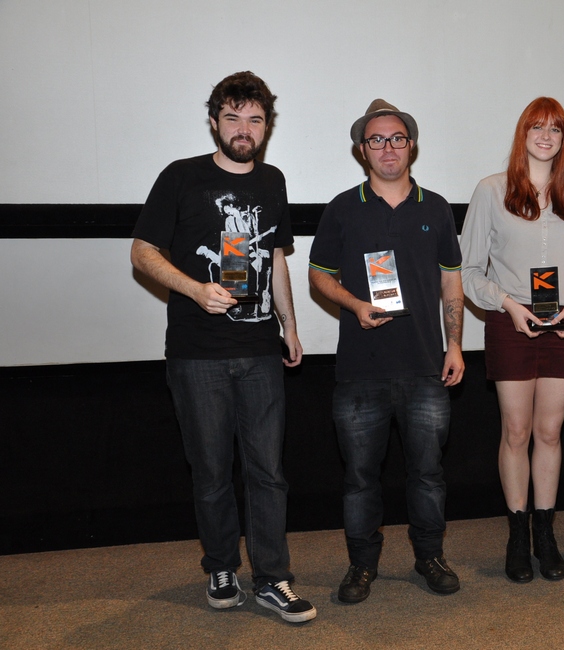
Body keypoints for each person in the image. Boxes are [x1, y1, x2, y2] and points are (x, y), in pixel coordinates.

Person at [130, 71, 315, 622]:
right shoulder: (181, 177)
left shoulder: (274, 181)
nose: (243, 128)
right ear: (214, 121)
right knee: (210, 470)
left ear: (266, 127)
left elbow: (278, 258)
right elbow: (142, 251)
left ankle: (273, 578)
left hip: (260, 349)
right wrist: (193, 288)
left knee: (268, 471)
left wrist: (291, 326)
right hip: (196, 353)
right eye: (232, 117)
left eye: (254, 119)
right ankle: (219, 565)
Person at [308, 99, 465, 602]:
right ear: (362, 150)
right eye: (376, 139)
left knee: (428, 474)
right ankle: (361, 567)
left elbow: (452, 284)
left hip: (425, 368)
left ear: (411, 145)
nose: (388, 147)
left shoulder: (436, 207)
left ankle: (430, 557)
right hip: (360, 372)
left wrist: (457, 345)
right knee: (359, 479)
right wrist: (354, 304)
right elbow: (318, 275)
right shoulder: (341, 207)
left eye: (397, 137)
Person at [460, 97, 564, 582]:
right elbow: (470, 272)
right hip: (510, 323)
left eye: (556, 129)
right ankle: (517, 533)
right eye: (537, 127)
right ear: (523, 134)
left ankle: (546, 532)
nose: (547, 136)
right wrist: (508, 304)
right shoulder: (491, 191)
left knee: (549, 433)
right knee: (516, 432)